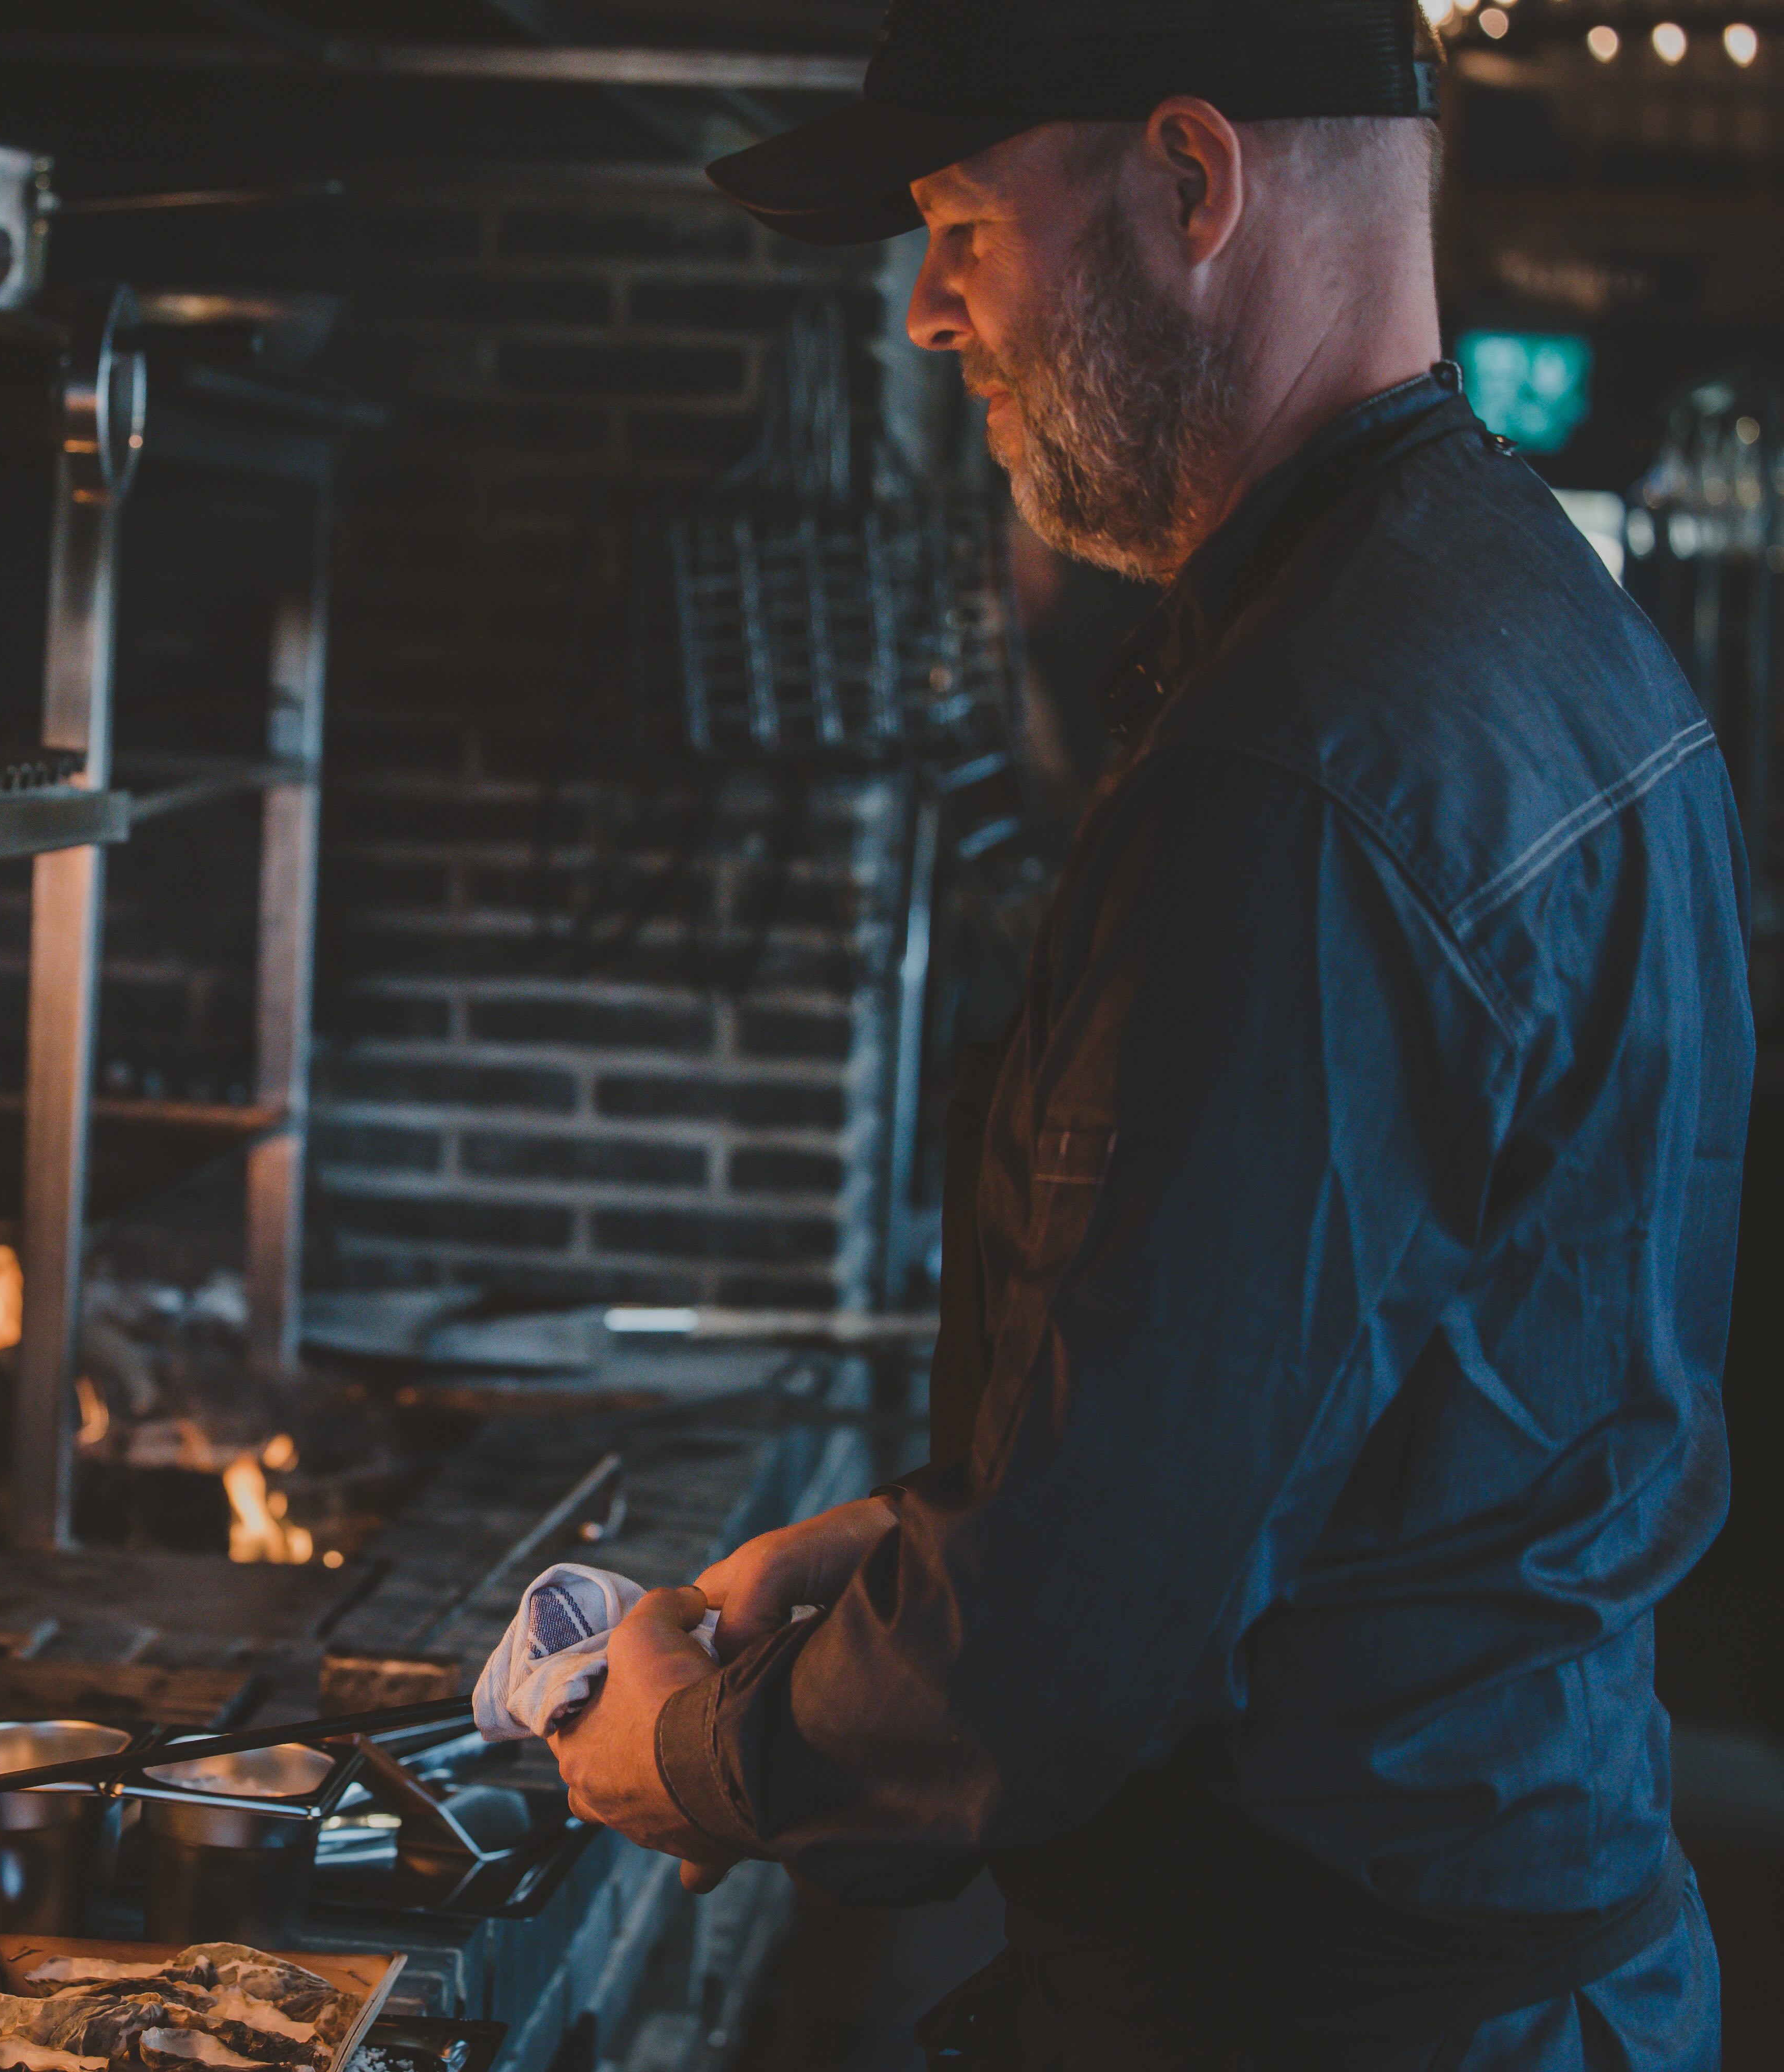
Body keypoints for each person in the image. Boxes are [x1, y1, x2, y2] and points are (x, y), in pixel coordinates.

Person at [542, 3, 1753, 2067]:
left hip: (1334, 2017)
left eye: (961, 225)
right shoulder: (1549, 630)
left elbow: (1067, 1649)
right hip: (1534, 1960)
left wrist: (700, 1752)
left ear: (1193, 180)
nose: (928, 311)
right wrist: (919, 1538)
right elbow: (1372, 1404)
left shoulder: (1295, 775)